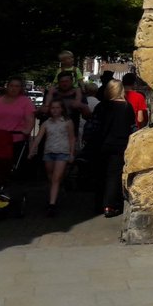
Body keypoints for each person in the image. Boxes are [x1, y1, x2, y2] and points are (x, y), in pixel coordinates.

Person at [89, 79, 136, 218]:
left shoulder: (101, 106)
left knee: (100, 174)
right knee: (114, 176)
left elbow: (93, 126)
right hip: (119, 145)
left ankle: (98, 204)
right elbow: (132, 128)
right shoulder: (127, 107)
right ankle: (109, 205)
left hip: (101, 144)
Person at [27, 99, 75, 216]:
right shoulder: (46, 123)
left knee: (55, 178)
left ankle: (51, 204)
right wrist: (31, 150)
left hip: (62, 152)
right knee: (51, 177)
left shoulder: (67, 122)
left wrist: (71, 153)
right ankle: (56, 193)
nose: (55, 110)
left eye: (57, 108)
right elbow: (38, 137)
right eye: (52, 108)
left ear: (62, 109)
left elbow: (72, 138)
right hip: (49, 152)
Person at [0, 77, 36, 168]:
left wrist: (27, 130)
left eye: (17, 86)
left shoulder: (25, 102)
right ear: (7, 87)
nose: (14, 88)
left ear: (20, 88)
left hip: (15, 138)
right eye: (11, 86)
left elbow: (30, 119)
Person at [41, 71, 89, 137]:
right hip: (50, 135)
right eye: (62, 82)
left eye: (67, 81)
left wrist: (82, 106)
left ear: (72, 81)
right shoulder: (52, 93)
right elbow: (42, 111)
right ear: (58, 82)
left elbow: (87, 116)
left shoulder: (78, 94)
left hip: (71, 135)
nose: (64, 84)